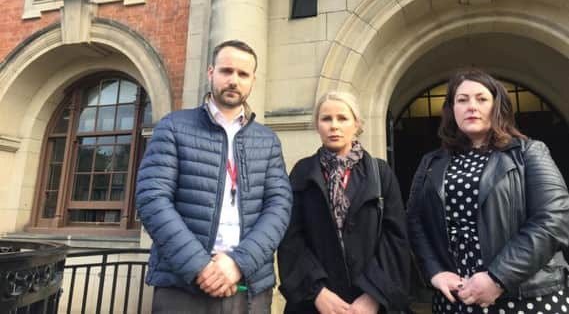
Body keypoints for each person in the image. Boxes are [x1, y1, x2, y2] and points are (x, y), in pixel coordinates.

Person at [136, 39, 292, 313]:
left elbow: (279, 207)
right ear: (211, 73)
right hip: (183, 285)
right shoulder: (173, 127)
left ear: (253, 80)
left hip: (248, 286)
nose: (234, 80)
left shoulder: (268, 140)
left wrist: (237, 263)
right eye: (226, 71)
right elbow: (153, 199)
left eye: (243, 74)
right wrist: (200, 266)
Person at [407, 69, 569, 313]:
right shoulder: (431, 162)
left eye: (481, 99)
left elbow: (554, 217)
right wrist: (434, 272)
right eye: (462, 100)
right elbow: (415, 220)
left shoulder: (529, 152)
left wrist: (497, 277)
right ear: (452, 110)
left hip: (526, 297)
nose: (472, 106)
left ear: (496, 106)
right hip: (456, 299)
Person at [278, 91, 411, 314]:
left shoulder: (380, 173)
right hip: (316, 303)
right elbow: (291, 238)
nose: (334, 126)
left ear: (356, 124)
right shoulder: (302, 172)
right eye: (326, 119)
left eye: (342, 118)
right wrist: (317, 292)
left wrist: (373, 295)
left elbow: (395, 238)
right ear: (317, 125)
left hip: (369, 303)